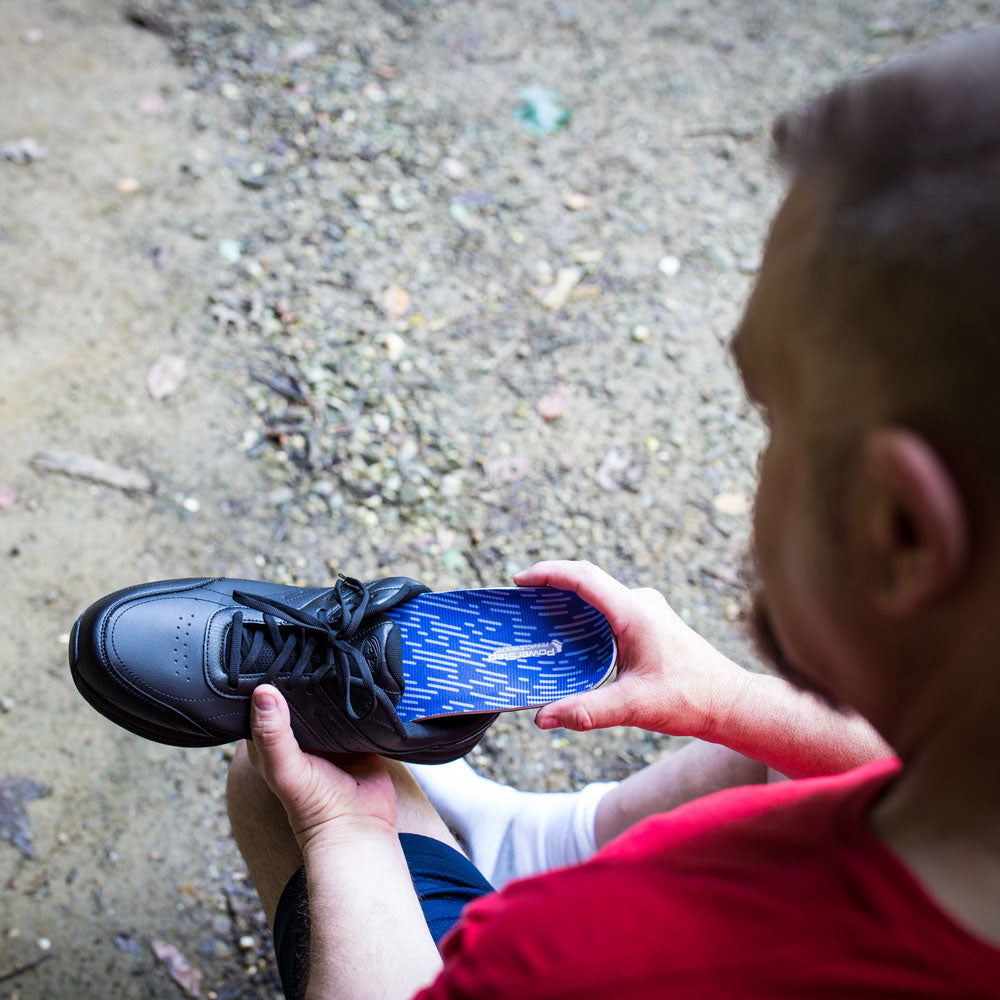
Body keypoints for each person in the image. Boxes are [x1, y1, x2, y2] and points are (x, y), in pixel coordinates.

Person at [226, 31, 1000, 999]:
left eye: (771, 417)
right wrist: (720, 696)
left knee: (278, 781)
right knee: (787, 747)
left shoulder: (577, 958)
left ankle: (433, 865)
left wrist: (348, 839)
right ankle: (525, 840)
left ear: (903, 531)